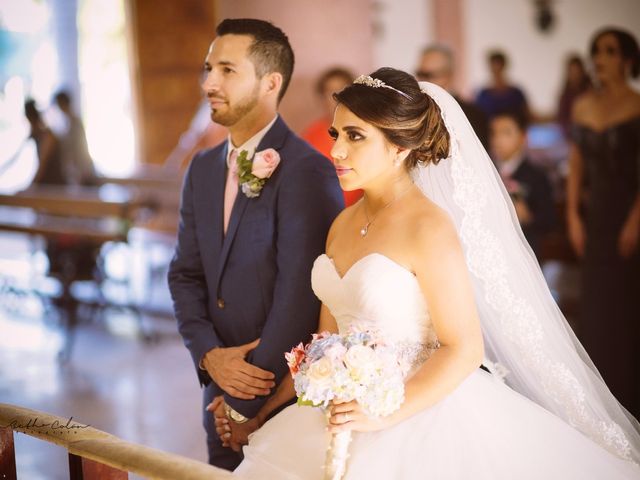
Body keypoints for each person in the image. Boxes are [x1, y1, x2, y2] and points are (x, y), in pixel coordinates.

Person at [219, 68, 640, 479]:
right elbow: (326, 344)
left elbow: (463, 348)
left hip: (420, 417)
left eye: (355, 136)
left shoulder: (429, 227)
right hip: (339, 413)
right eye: (336, 134)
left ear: (400, 147)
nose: (337, 151)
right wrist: (261, 415)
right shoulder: (342, 224)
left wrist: (383, 415)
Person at [167, 18, 343, 471]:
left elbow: (300, 296)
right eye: (208, 68)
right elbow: (185, 273)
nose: (209, 83)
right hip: (217, 394)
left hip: (281, 401)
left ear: (270, 82)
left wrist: (245, 398)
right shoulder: (202, 169)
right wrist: (209, 356)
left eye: (227, 70)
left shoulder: (306, 169)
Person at [567, 27, 640, 419]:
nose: (600, 58)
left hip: (630, 212)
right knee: (596, 307)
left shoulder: (637, 104)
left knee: (628, 306)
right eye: (596, 50)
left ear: (628, 58)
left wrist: (635, 220)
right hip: (595, 218)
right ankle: (602, 404)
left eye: (609, 51)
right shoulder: (582, 105)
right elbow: (577, 167)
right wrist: (573, 217)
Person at [490, 110, 555, 257]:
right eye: (494, 133)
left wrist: (528, 216)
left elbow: (549, 220)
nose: (497, 139)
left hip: (524, 250)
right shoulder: (486, 171)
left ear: (522, 137)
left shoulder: (537, 176)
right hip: (493, 248)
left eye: (506, 133)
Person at [302, 67, 363, 206]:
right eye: (329, 92)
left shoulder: (365, 131)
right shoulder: (311, 134)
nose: (336, 97)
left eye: (342, 90)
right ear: (322, 98)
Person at [415, 44, 489, 149]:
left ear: (448, 75)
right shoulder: (412, 111)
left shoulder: (473, 114)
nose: (422, 80)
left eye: (428, 75)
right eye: (420, 73)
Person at [53, 90, 97, 185]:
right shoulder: (67, 123)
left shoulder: (75, 122)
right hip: (77, 170)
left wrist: (80, 170)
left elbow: (80, 148)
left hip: (82, 170)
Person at [475, 50, 530, 121]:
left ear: (503, 66)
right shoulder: (483, 95)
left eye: (498, 66)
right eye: (493, 66)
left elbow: (527, 115)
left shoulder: (516, 94)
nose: (496, 70)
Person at [24, 99, 65, 185]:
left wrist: (31, 187)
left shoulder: (48, 136)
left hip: (54, 185)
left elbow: (42, 165)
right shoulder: (37, 135)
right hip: (46, 185)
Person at [556, 55, 592, 139]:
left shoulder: (590, 93)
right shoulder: (565, 96)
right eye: (572, 72)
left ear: (582, 72)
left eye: (577, 72)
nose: (574, 75)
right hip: (571, 138)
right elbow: (562, 121)